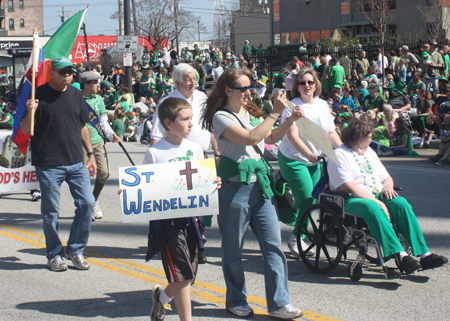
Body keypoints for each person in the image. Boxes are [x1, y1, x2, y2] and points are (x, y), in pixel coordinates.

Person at [201, 68, 304, 319]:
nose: (249, 92)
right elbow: (249, 138)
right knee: (233, 249)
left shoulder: (248, 111)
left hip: (261, 186)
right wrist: (276, 113)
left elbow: (267, 137)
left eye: (251, 87)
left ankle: (279, 303)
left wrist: (288, 121)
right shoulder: (220, 117)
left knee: (273, 246)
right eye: (243, 89)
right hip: (235, 188)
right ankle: (236, 299)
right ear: (227, 90)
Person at [328, 118, 448, 274]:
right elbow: (348, 186)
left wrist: (387, 187)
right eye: (370, 136)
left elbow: (386, 177)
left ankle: (425, 254)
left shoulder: (369, 152)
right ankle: (401, 255)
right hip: (350, 199)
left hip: (376, 194)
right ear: (360, 139)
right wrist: (378, 202)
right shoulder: (339, 155)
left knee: (401, 203)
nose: (372, 139)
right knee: (373, 207)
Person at [145, 98, 221, 321]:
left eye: (191, 119)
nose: (191, 124)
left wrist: (213, 182)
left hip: (192, 220)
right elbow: (145, 187)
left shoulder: (195, 148)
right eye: (185, 119)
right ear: (168, 123)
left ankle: (162, 299)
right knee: (183, 275)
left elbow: (201, 180)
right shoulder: (155, 153)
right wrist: (132, 194)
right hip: (168, 223)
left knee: (187, 276)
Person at [21, 56, 96, 272]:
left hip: (76, 161)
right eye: (62, 71)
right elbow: (26, 130)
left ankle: (75, 249)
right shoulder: (39, 95)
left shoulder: (75, 94)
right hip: (48, 163)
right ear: (52, 72)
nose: (67, 75)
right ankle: (54, 254)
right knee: (51, 211)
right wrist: (31, 111)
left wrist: (90, 154)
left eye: (70, 71)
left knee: (87, 205)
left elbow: (83, 126)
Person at [277, 67, 342, 258]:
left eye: (310, 82)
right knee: (306, 197)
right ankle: (297, 238)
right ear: (297, 86)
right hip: (293, 159)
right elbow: (293, 135)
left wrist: (345, 153)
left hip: (315, 161)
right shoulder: (292, 106)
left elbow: (330, 133)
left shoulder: (322, 105)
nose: (307, 86)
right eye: (303, 82)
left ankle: (298, 228)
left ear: (316, 85)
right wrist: (308, 154)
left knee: (310, 200)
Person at [80, 71, 120, 220]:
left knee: (104, 174)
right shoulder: (77, 99)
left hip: (98, 141)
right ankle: (86, 206)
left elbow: (103, 122)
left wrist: (112, 135)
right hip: (81, 143)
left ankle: (93, 200)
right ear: (86, 85)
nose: (98, 85)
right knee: (83, 176)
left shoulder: (99, 99)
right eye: (95, 83)